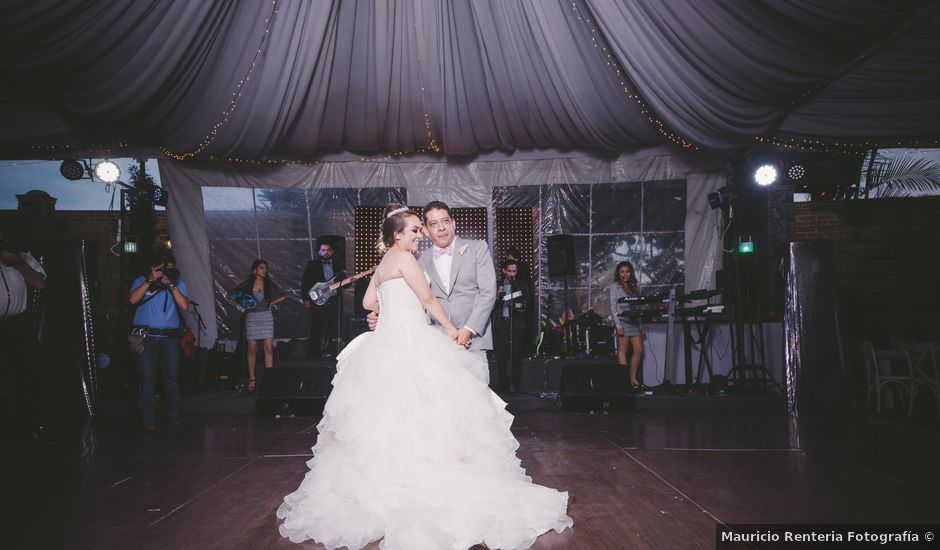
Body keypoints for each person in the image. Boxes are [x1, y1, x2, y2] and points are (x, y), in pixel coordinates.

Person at [277, 204, 572, 549]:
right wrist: (449, 331)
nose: (422, 234)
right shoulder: (405, 258)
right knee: (430, 417)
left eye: (425, 227)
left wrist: (383, 314)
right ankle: (422, 493)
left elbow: (369, 301)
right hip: (415, 342)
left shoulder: (388, 261)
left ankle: (386, 490)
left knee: (389, 421)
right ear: (397, 234)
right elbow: (429, 298)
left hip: (385, 346)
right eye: (417, 229)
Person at [128, 253, 189, 431]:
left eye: (170, 268)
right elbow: (132, 299)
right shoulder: (141, 280)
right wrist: (150, 280)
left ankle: (173, 413)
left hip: (168, 337)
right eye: (163, 268)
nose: (166, 272)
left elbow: (184, 306)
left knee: (171, 377)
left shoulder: (177, 284)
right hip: (145, 337)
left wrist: (170, 284)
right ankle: (148, 415)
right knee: (147, 377)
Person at [0, 222, 47, 440]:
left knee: (28, 374)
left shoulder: (23, 257)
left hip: (18, 324)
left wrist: (19, 263)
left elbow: (40, 283)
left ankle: (29, 426)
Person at [230, 259, 287, 392]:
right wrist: (245, 303)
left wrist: (271, 304)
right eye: (261, 268)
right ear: (254, 270)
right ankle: (252, 380)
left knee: (268, 348)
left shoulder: (269, 284)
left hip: (266, 317)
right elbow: (231, 295)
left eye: (266, 268)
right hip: (252, 317)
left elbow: (284, 295)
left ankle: (269, 378)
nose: (264, 270)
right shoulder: (248, 284)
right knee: (252, 349)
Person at [492, 259, 532, 393]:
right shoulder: (497, 285)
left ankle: (515, 384)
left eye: (514, 271)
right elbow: (491, 305)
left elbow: (526, 304)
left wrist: (516, 305)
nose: (511, 274)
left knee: (516, 355)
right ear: (504, 271)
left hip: (517, 324)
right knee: (500, 355)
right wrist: (497, 298)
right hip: (501, 323)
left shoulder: (522, 285)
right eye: (509, 271)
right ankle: (502, 383)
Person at [608, 261, 646, 391]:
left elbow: (638, 305)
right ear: (618, 273)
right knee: (623, 350)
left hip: (634, 321)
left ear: (631, 272)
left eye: (627, 271)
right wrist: (618, 325)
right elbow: (613, 306)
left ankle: (632, 378)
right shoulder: (614, 286)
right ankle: (624, 380)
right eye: (622, 271)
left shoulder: (634, 286)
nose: (625, 274)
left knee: (639, 349)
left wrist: (641, 323)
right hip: (622, 321)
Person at [301, 241, 340, 359]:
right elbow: (305, 282)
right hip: (317, 300)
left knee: (334, 327)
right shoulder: (312, 265)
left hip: (333, 301)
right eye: (323, 250)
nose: (326, 252)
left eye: (328, 250)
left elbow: (343, 284)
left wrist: (349, 282)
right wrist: (306, 300)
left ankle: (334, 354)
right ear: (319, 252)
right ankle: (314, 355)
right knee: (316, 327)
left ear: (332, 252)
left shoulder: (338, 265)